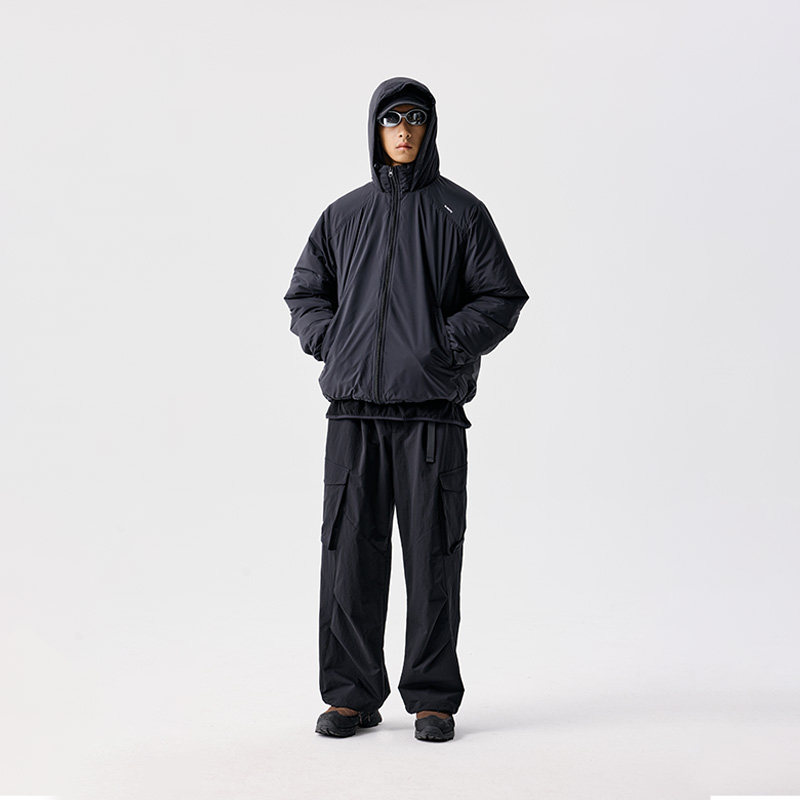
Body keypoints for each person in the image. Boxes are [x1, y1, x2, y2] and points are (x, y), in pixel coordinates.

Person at [284, 76, 529, 742]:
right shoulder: (343, 215)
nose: (402, 130)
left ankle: (432, 698)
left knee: (433, 558)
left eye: (415, 119)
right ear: (375, 129)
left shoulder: (461, 212)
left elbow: (501, 297)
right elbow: (305, 294)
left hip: (431, 415)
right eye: (391, 119)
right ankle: (351, 696)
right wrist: (335, 341)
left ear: (429, 129)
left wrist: (443, 345)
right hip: (354, 413)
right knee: (348, 558)